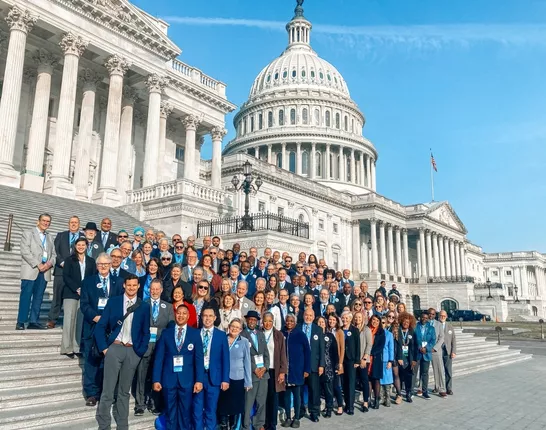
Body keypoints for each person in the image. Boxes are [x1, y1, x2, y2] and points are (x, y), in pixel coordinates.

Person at [94, 274, 151, 430]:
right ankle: (104, 425)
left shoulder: (144, 306)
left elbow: (146, 332)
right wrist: (105, 349)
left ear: (139, 286)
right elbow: (100, 327)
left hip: (132, 351)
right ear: (124, 285)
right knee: (108, 390)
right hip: (114, 348)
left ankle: (122, 425)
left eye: (134, 285)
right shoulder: (114, 302)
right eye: (129, 285)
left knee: (124, 392)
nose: (132, 288)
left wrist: (139, 352)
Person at [80, 253, 123, 406]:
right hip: (93, 326)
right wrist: (96, 317)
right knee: (91, 361)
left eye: (106, 264)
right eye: (100, 264)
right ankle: (91, 393)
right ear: (97, 266)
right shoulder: (88, 282)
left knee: (108, 362)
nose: (103, 267)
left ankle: (106, 392)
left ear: (111, 264)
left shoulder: (118, 282)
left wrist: (109, 319)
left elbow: (120, 304)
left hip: (110, 328)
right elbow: (84, 304)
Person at [152, 304, 204, 430]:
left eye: (184, 313)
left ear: (188, 316)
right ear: (175, 314)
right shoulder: (166, 333)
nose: (181, 316)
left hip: (187, 380)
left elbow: (199, 359)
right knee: (170, 412)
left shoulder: (195, 334)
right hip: (169, 379)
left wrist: (199, 380)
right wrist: (156, 379)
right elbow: (159, 358)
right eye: (178, 313)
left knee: (185, 413)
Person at [134, 278, 174, 416]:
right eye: (153, 289)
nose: (155, 291)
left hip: (160, 347)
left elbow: (171, 326)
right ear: (149, 290)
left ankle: (154, 402)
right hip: (145, 345)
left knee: (156, 376)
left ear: (161, 290)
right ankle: (140, 404)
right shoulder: (142, 304)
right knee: (141, 376)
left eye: (157, 289)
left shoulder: (168, 307)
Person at [17, 213, 56, 330]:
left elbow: (54, 254)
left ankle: (34, 321)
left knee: (38, 297)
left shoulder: (49, 237)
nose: (46, 223)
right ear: (38, 221)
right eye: (44, 220)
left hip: (44, 271)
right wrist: (37, 264)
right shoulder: (28, 233)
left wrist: (49, 264)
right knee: (26, 296)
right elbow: (25, 251)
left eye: (48, 221)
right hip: (31, 269)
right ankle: (21, 321)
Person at [193, 307, 230, 430]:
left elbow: (225, 359)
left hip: (214, 377)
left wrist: (225, 379)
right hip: (198, 376)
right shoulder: (195, 334)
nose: (207, 318)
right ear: (201, 317)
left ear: (215, 318)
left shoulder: (221, 335)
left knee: (211, 409)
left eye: (210, 316)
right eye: (205, 315)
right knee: (197, 409)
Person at [61, 236, 95, 358]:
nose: (81, 247)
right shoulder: (70, 260)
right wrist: (77, 288)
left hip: (84, 295)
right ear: (75, 246)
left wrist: (85, 290)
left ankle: (76, 347)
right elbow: (66, 277)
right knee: (69, 319)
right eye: (79, 245)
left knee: (79, 321)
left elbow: (92, 278)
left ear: (87, 246)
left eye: (83, 245)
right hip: (71, 293)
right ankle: (67, 347)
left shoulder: (91, 261)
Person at [217, 318, 252, 430]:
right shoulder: (222, 338)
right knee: (223, 403)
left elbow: (247, 362)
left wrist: (248, 382)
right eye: (233, 326)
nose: (234, 329)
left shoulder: (244, 341)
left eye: (237, 327)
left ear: (241, 329)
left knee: (236, 405)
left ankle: (234, 426)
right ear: (229, 326)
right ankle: (223, 425)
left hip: (238, 377)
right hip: (223, 377)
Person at [48, 215, 82, 329]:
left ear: (79, 224)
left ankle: (69, 320)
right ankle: (52, 319)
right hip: (60, 272)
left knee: (72, 296)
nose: (73, 224)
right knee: (57, 296)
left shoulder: (82, 237)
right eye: (71, 222)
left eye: (76, 222)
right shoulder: (61, 235)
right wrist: (61, 262)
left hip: (75, 274)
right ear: (68, 224)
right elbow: (55, 251)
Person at [241, 310, 270, 430]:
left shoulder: (260, 334)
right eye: (250, 319)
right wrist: (254, 369)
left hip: (263, 374)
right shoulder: (242, 335)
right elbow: (243, 356)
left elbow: (266, 354)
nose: (252, 322)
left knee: (261, 402)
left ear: (257, 321)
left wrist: (265, 367)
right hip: (251, 374)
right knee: (248, 403)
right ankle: (246, 425)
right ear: (247, 320)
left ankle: (259, 424)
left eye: (254, 320)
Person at [282, 314, 310, 429]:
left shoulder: (300, 335)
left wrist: (306, 369)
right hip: (285, 371)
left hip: (297, 370)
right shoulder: (281, 333)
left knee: (297, 395)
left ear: (295, 322)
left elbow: (307, 352)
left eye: (292, 321)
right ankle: (288, 417)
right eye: (287, 321)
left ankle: (297, 418)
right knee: (286, 396)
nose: (289, 323)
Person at [262, 311, 287, 430]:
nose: (267, 323)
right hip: (262, 370)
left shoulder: (278, 335)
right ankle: (263, 422)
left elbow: (283, 353)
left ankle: (272, 424)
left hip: (274, 370)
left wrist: (282, 371)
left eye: (270, 321)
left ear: (273, 322)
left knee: (273, 398)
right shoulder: (258, 333)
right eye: (265, 321)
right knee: (262, 397)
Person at [300, 309, 325, 422]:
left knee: (314, 390)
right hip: (300, 365)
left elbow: (321, 348)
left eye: (310, 315)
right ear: (303, 315)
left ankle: (314, 412)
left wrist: (321, 365)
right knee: (299, 389)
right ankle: (300, 410)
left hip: (314, 365)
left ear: (313, 316)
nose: (308, 317)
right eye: (306, 315)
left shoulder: (318, 329)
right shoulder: (298, 327)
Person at [315, 316, 338, 418]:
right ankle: (316, 409)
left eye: (323, 322)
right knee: (317, 389)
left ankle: (329, 408)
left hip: (328, 366)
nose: (321, 324)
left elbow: (335, 352)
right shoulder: (314, 336)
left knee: (328, 389)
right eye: (319, 322)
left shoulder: (330, 336)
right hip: (315, 366)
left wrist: (336, 365)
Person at [340, 311, 360, 415]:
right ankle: (346, 403)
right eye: (343, 318)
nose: (345, 320)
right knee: (344, 383)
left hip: (351, 360)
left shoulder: (355, 330)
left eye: (347, 318)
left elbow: (358, 345)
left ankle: (350, 406)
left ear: (350, 319)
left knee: (351, 383)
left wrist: (357, 360)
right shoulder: (339, 330)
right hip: (341, 360)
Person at [396, 312, 418, 403]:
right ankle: (399, 394)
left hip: (409, 357)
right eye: (404, 321)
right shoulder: (397, 330)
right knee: (400, 376)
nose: (406, 323)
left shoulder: (412, 331)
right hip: (400, 357)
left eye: (408, 322)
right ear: (401, 321)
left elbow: (415, 346)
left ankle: (408, 393)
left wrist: (414, 360)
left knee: (409, 376)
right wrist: (399, 357)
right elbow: (396, 345)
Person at [414, 311, 436, 399]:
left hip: (426, 353)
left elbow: (433, 341)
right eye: (423, 317)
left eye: (426, 318)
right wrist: (419, 347)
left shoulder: (431, 328)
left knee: (425, 373)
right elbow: (414, 339)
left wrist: (426, 348)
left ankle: (425, 391)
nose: (424, 319)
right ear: (420, 317)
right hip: (417, 352)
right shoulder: (415, 326)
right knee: (414, 372)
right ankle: (411, 391)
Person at [353, 311, 372, 412]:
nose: (358, 319)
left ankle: (365, 401)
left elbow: (369, 344)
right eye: (356, 317)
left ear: (363, 318)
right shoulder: (352, 329)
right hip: (354, 359)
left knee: (364, 380)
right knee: (353, 380)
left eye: (359, 317)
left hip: (363, 359)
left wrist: (364, 358)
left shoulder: (366, 329)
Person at [326, 313, 345, 415]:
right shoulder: (325, 331)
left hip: (336, 362)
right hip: (327, 362)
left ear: (337, 321)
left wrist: (340, 363)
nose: (331, 322)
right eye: (330, 320)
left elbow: (342, 349)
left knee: (336, 385)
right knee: (328, 386)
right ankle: (329, 405)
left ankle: (340, 405)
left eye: (333, 320)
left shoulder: (339, 332)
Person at [427, 308, 447, 398]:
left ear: (435, 315)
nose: (431, 315)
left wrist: (435, 348)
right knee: (424, 370)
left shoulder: (438, 324)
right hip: (425, 350)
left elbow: (442, 337)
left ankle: (441, 388)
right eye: (429, 314)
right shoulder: (424, 323)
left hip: (435, 350)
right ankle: (421, 387)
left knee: (438, 370)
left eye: (433, 314)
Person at [368, 314, 385, 409]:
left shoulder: (381, 332)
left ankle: (377, 399)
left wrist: (370, 352)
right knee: (368, 379)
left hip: (376, 358)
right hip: (367, 358)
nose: (375, 322)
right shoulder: (367, 329)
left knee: (376, 379)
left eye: (377, 321)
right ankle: (369, 399)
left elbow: (381, 346)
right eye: (373, 320)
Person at [386, 311, 403, 404]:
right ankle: (385, 394)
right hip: (384, 355)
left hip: (394, 355)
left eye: (393, 317)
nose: (390, 318)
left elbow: (399, 344)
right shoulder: (383, 326)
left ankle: (399, 394)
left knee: (395, 374)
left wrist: (399, 356)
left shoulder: (396, 329)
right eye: (389, 316)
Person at [439, 310, 457, 395]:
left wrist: (453, 351)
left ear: (446, 317)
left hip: (447, 351)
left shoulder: (450, 326)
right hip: (438, 350)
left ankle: (449, 388)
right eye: (441, 315)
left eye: (444, 316)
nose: (442, 317)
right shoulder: (435, 325)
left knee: (448, 371)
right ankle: (438, 387)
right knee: (438, 370)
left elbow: (453, 340)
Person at [379, 316, 395, 407]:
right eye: (380, 322)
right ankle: (381, 397)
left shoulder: (389, 334)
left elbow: (391, 349)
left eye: (383, 322)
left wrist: (390, 360)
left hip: (386, 359)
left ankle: (387, 397)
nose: (382, 324)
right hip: (378, 359)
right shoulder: (376, 333)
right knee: (380, 379)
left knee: (387, 379)